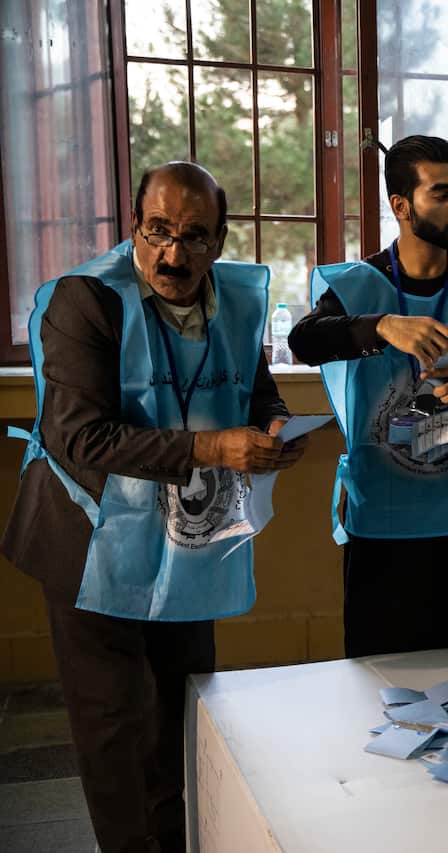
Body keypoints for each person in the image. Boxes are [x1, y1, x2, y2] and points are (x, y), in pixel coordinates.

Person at [2, 161, 306, 853]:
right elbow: (81, 435)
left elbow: (255, 389)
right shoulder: (82, 301)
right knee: (116, 734)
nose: (174, 254)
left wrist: (276, 422)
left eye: (194, 237)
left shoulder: (232, 299)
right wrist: (214, 447)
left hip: (188, 543)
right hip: (89, 542)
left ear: (220, 241)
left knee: (183, 713)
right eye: (158, 231)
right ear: (134, 226)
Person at [291, 135, 448, 657]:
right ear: (401, 206)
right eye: (441, 194)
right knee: (386, 686)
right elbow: (304, 341)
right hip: (387, 524)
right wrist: (382, 327)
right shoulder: (357, 285)